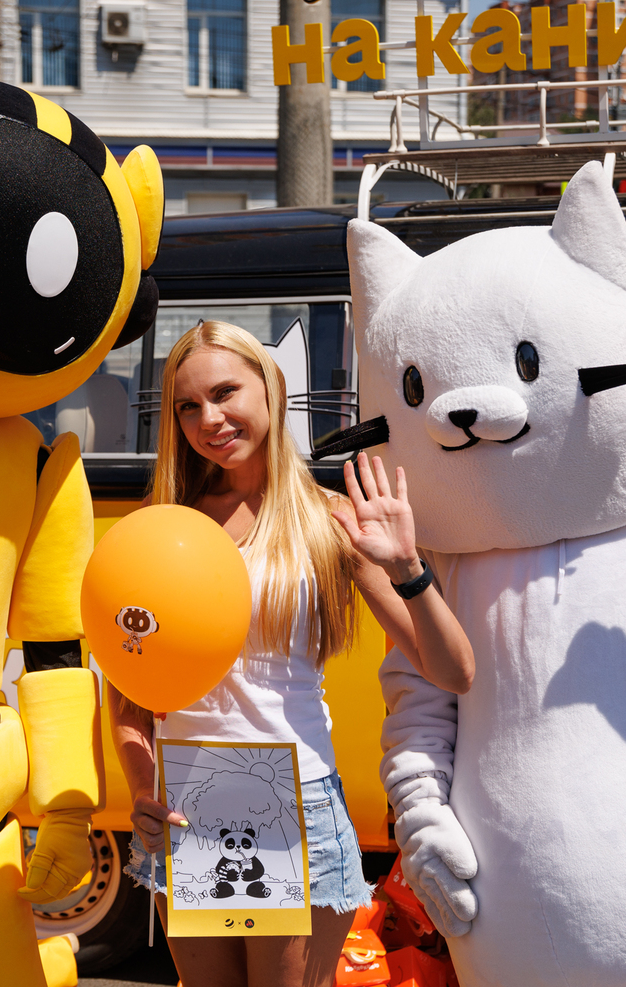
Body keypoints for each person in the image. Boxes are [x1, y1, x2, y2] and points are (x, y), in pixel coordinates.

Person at [109, 320, 474, 987]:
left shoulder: (326, 519)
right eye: (188, 405)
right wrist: (141, 790)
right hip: (191, 801)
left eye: (225, 393)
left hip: (291, 798)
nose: (208, 420)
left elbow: (453, 670)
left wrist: (406, 566)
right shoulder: (165, 523)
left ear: (271, 389)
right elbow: (128, 694)